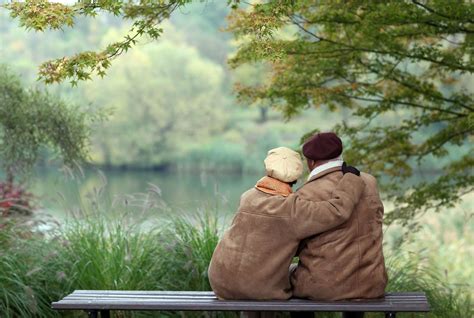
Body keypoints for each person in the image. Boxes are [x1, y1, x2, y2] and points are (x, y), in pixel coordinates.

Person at [208, 146, 366, 300]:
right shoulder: (293, 208)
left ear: (268, 168)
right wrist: (350, 179)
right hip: (257, 288)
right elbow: (337, 210)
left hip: (220, 281)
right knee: (298, 276)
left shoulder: (248, 197)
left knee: (260, 274)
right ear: (296, 177)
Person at [291, 132, 388, 301]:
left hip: (324, 287)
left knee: (285, 276)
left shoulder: (307, 193)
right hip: (372, 284)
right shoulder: (369, 181)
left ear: (311, 162)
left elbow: (295, 243)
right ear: (339, 155)